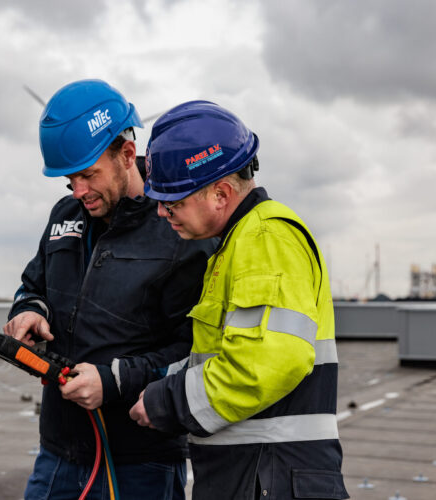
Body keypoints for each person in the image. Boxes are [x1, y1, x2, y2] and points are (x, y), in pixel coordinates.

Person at [4, 80, 214, 500]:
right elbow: (33, 285)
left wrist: (114, 381)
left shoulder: (178, 228)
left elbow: (194, 351)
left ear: (127, 155)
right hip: (60, 452)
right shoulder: (66, 215)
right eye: (69, 180)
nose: (78, 192)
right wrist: (30, 310)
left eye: (87, 175)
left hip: (142, 461)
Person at [129, 101, 349, 499]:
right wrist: (146, 382)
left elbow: (265, 364)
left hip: (269, 477)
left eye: (173, 201)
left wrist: (168, 402)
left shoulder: (264, 239)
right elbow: (220, 357)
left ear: (221, 193)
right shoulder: (235, 246)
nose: (161, 212)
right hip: (255, 475)